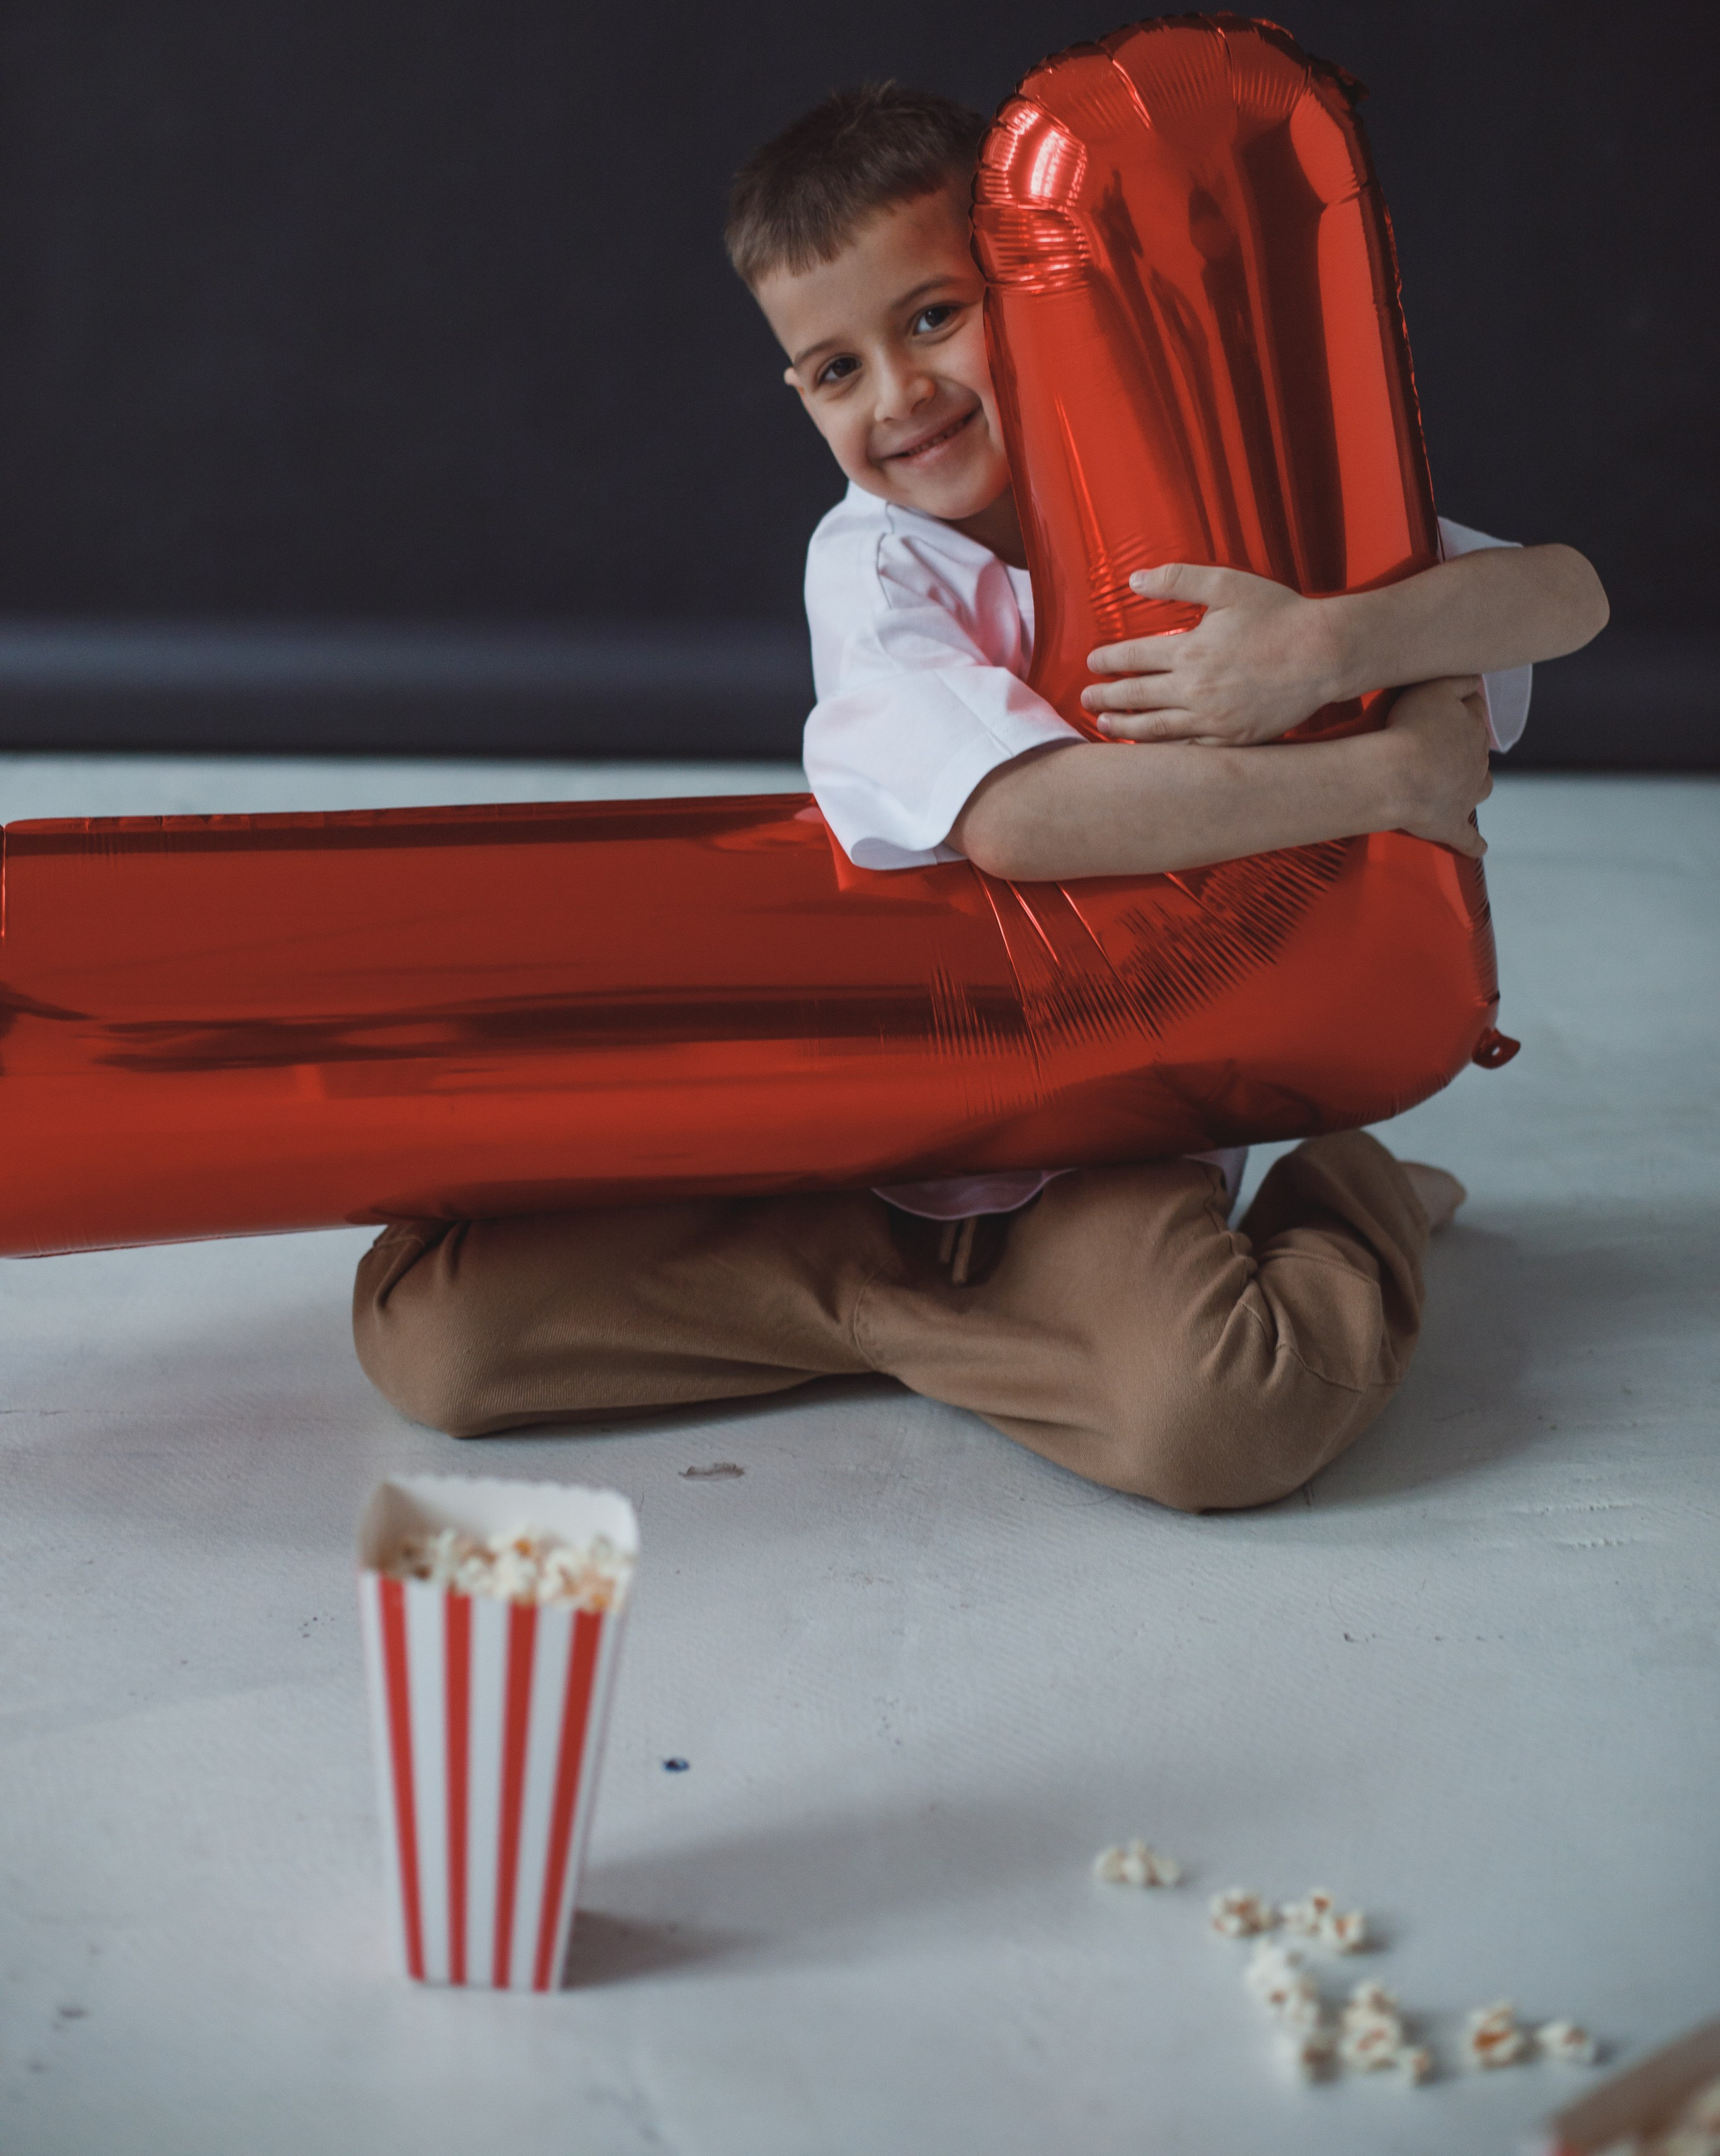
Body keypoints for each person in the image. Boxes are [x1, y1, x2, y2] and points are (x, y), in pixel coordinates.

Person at [352, 83, 1608, 1510]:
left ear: (1040, 290)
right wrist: (1388, 773)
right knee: (436, 1341)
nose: (899, 396)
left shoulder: (1199, 487)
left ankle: (1348, 1197)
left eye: (935, 317)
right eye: (836, 369)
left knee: (1223, 1426)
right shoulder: (878, 570)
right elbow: (1018, 819)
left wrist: (1328, 646)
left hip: (1110, 1135)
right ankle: (972, 1341)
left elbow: (1563, 594)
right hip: (861, 1138)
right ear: (799, 396)